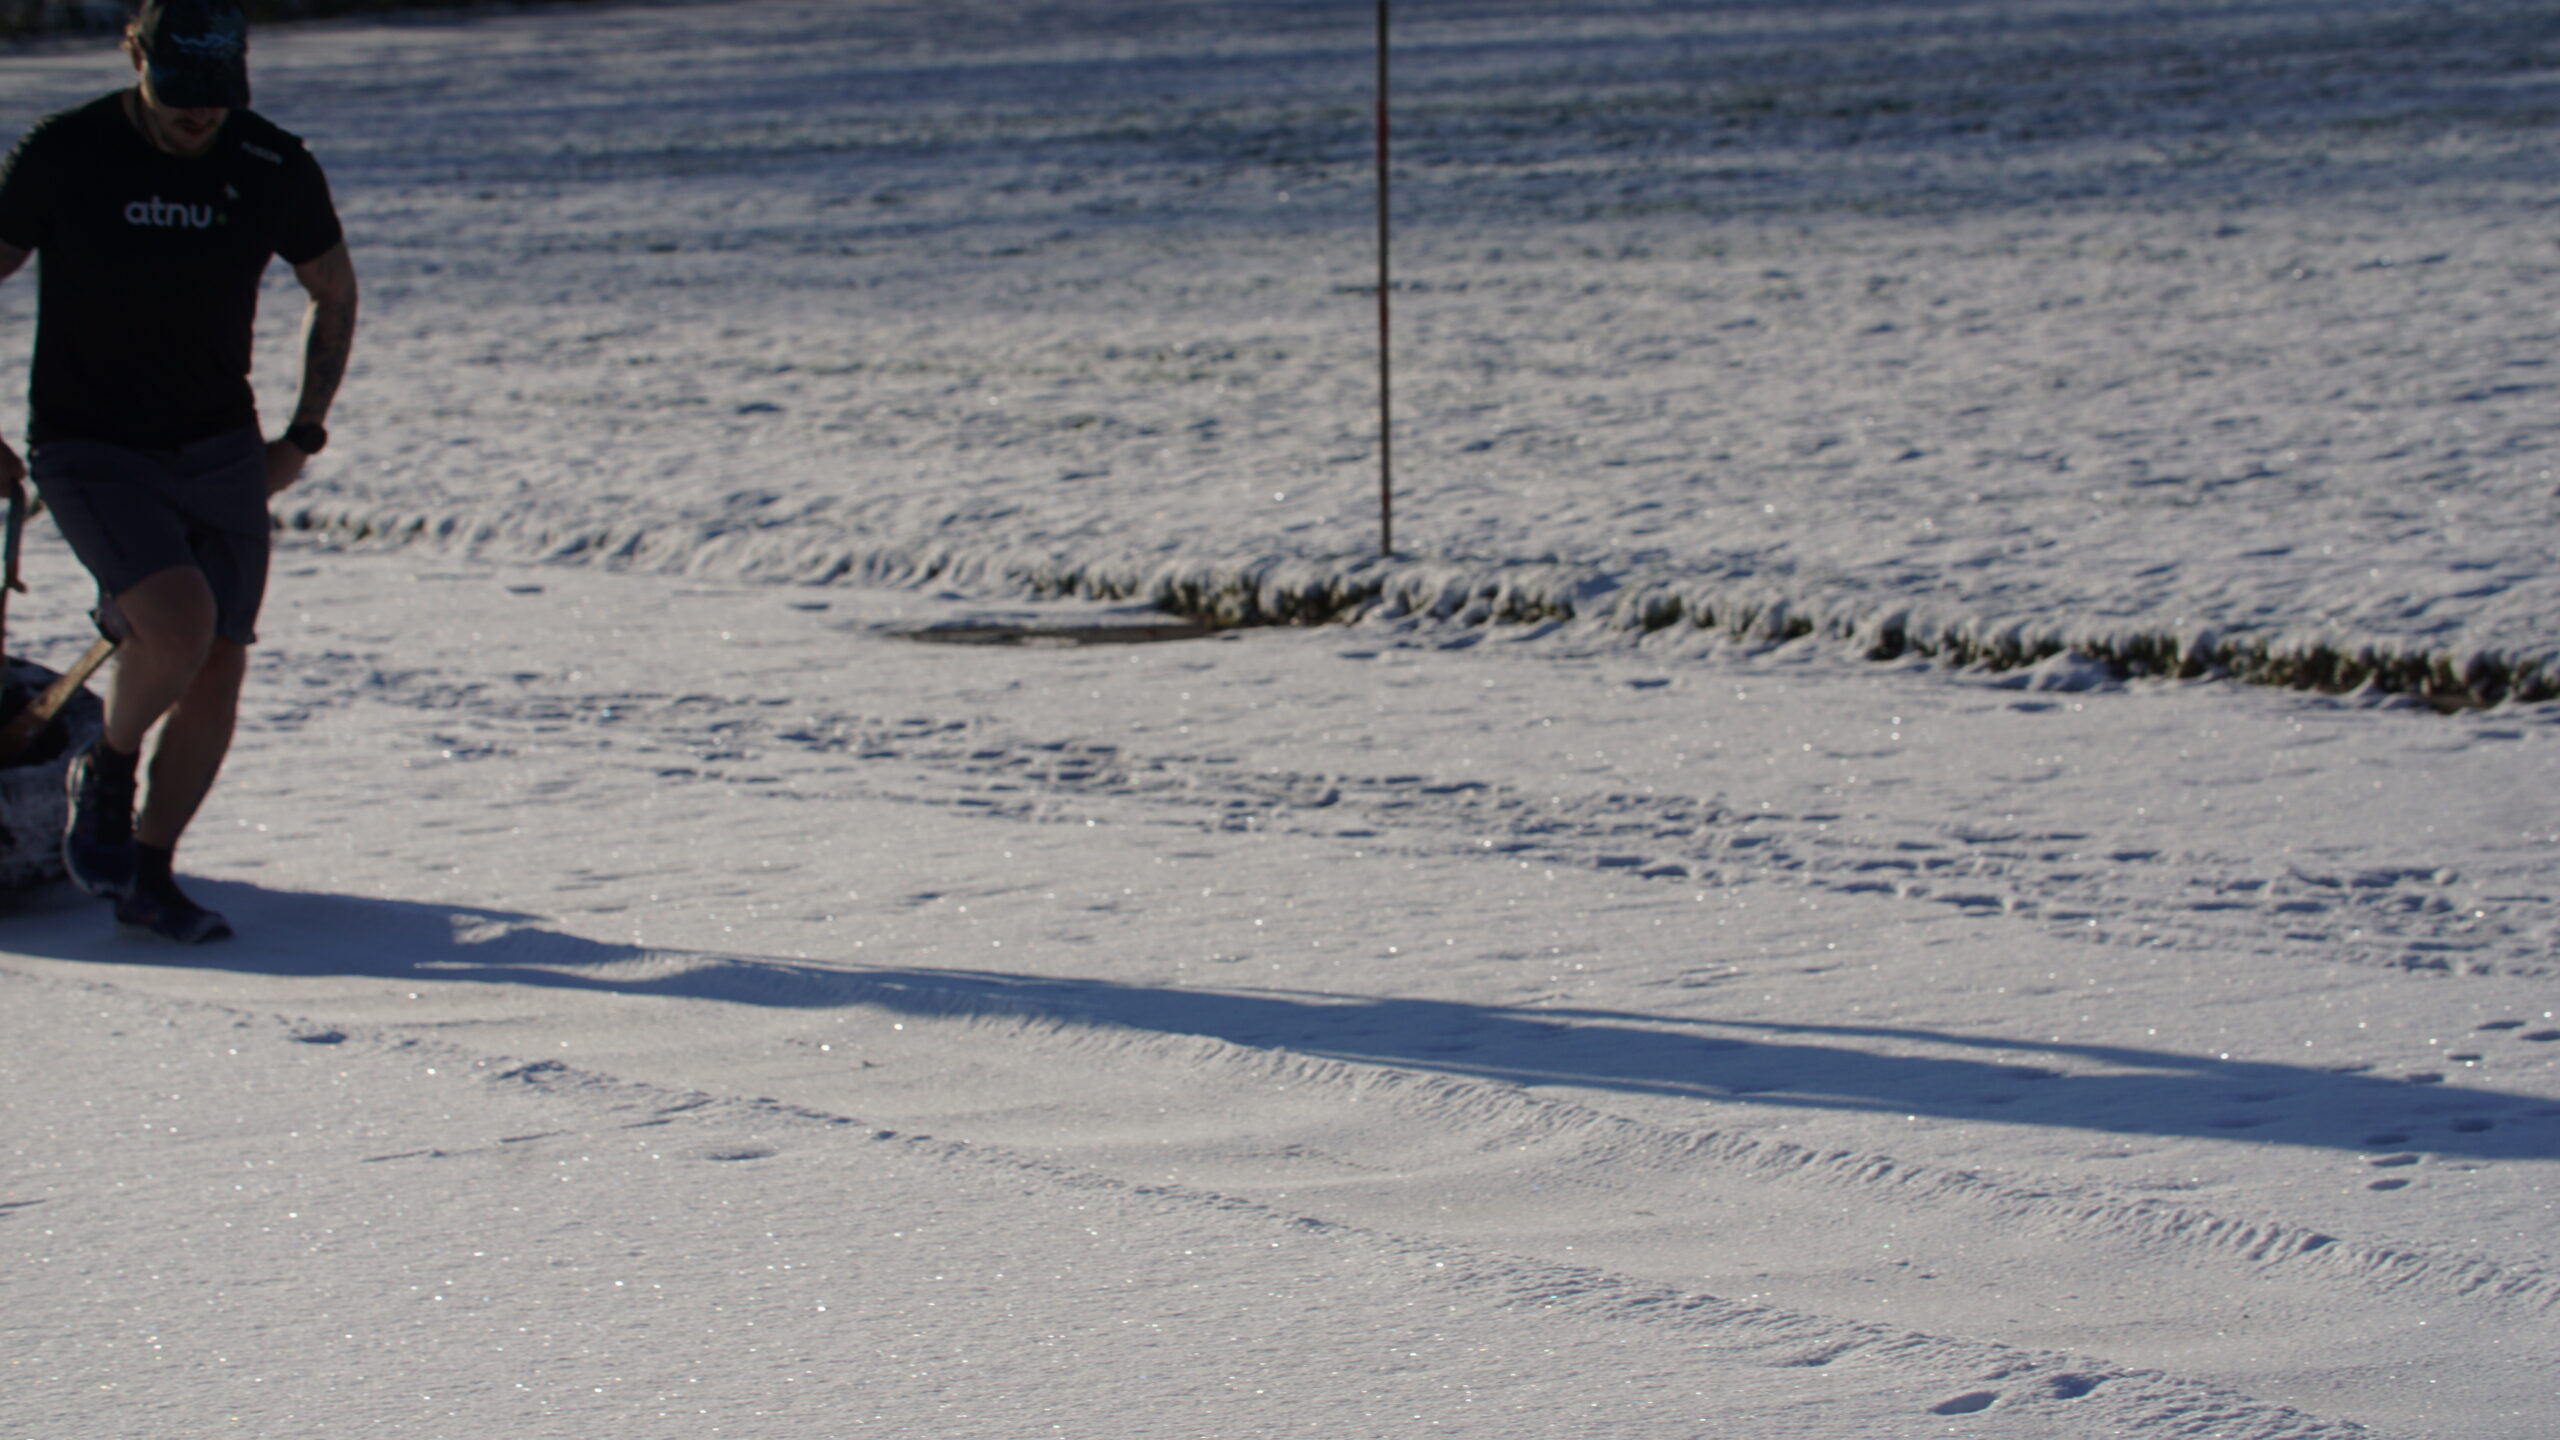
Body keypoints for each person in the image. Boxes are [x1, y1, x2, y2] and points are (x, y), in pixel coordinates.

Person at [0, 0, 356, 942]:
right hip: (89, 445)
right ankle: (107, 773)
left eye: (218, 96)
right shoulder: (66, 153)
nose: (200, 115)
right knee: (178, 619)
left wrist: (302, 435)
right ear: (136, 56)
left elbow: (334, 290)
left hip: (221, 448)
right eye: (180, 93)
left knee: (218, 668)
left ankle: (146, 875)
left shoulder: (271, 163)